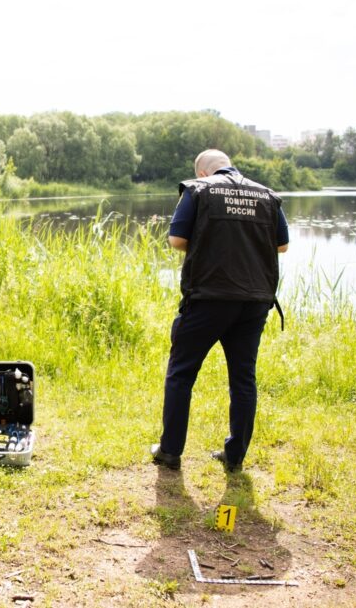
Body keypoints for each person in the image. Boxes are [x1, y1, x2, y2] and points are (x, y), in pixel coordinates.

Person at [151, 149, 289, 472]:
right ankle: (235, 456)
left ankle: (170, 451)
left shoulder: (198, 190)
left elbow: (176, 238)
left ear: (203, 173)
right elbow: (281, 246)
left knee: (181, 372)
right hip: (254, 301)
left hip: (208, 298)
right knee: (243, 378)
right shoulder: (267, 195)